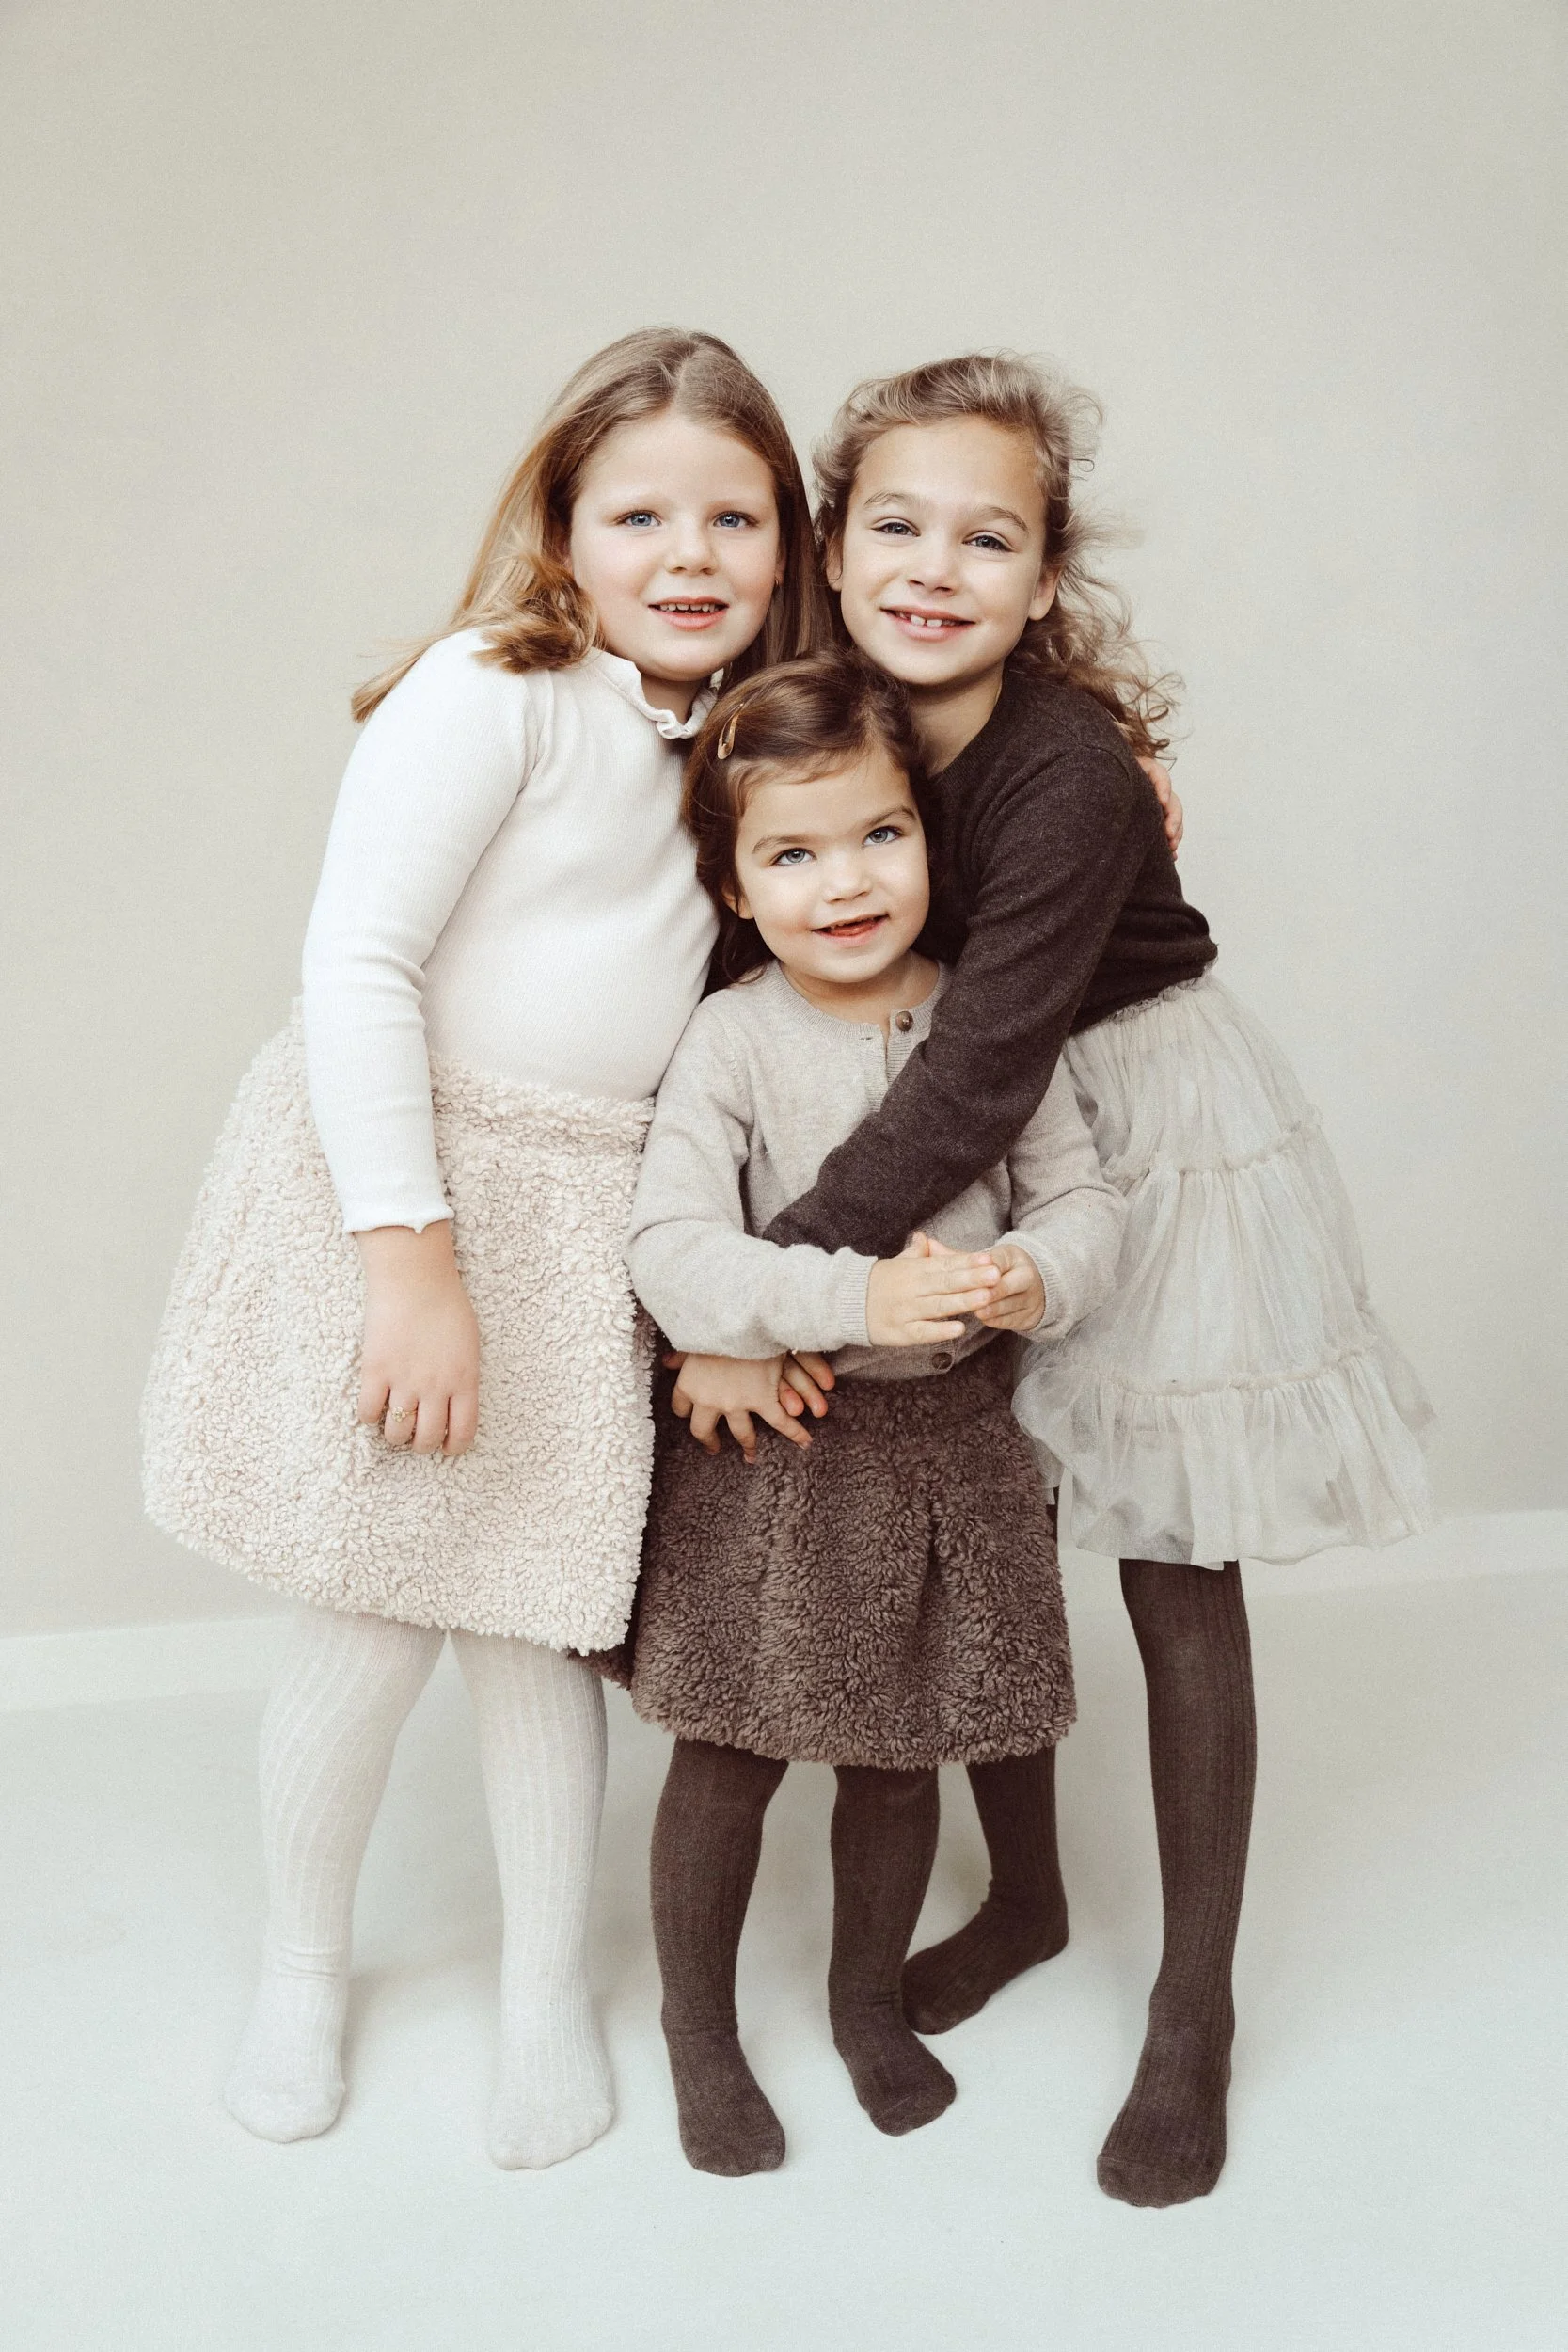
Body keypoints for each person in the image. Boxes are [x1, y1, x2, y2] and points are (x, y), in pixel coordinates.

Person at [671, 353, 1433, 2204]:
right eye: (897, 525)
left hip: (1120, 1114)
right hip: (929, 1110)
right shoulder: (812, 706)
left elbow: (980, 1069)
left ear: (1043, 570)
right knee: (978, 1516)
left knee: (1172, 1547)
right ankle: (1023, 1894)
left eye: (987, 536)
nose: (935, 567)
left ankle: (1192, 2010)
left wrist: (756, 1289)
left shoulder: (1071, 770)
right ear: (831, 546)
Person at [141, 326, 828, 2169]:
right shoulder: (495, 686)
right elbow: (358, 962)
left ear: (786, 543)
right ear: (560, 529)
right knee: (372, 1609)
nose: (686, 553)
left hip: (589, 1204)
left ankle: (541, 1988)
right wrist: (410, 1262)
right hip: (419, 1184)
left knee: (540, 1618)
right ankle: (303, 1966)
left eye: (732, 515)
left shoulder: (747, 739)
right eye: (638, 512)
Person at [611, 647, 1126, 2176]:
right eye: (792, 851)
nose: (844, 881)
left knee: (896, 1753)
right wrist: (846, 1300)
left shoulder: (985, 1025)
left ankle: (862, 2005)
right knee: (730, 1752)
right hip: (781, 1457)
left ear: (928, 836)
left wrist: (1037, 1272)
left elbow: (1083, 1194)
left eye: (880, 835)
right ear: (731, 881)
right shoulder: (732, 1040)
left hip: (948, 1451)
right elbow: (670, 1253)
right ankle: (696, 2030)